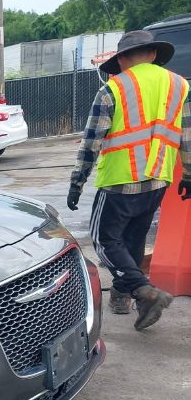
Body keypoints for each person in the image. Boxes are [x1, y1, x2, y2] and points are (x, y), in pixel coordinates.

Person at [68, 30, 191, 331]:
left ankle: (144, 292)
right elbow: (186, 134)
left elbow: (91, 141)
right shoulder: (179, 86)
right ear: (152, 55)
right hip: (158, 178)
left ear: (121, 60)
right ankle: (122, 298)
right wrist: (188, 173)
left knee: (105, 239)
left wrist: (78, 181)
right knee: (134, 239)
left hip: (120, 179)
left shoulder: (113, 89)